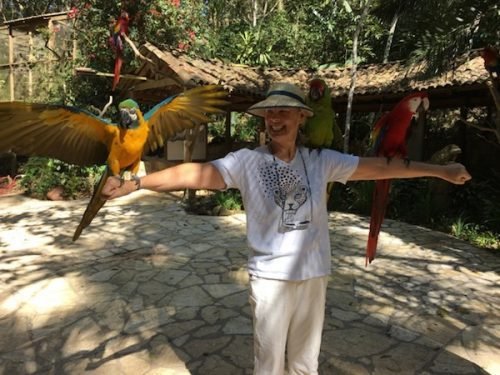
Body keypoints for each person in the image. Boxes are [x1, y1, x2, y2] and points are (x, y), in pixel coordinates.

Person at [101, 82, 471, 375]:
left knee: (305, 366)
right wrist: (137, 183)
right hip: (270, 279)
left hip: (313, 275)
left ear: (301, 117)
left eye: (283, 113)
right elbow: (196, 172)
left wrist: (440, 170)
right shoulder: (246, 162)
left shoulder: (321, 161)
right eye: (269, 114)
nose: (275, 120)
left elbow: (380, 167)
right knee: (269, 364)